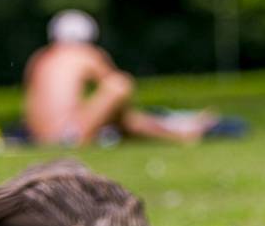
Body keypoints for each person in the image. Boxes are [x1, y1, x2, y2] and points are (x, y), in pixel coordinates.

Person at [23, 10, 218, 146]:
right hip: (67, 137)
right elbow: (115, 87)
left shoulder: (40, 58)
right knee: (120, 86)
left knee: (118, 115)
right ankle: (177, 131)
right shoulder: (86, 54)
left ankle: (175, 130)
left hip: (39, 137)